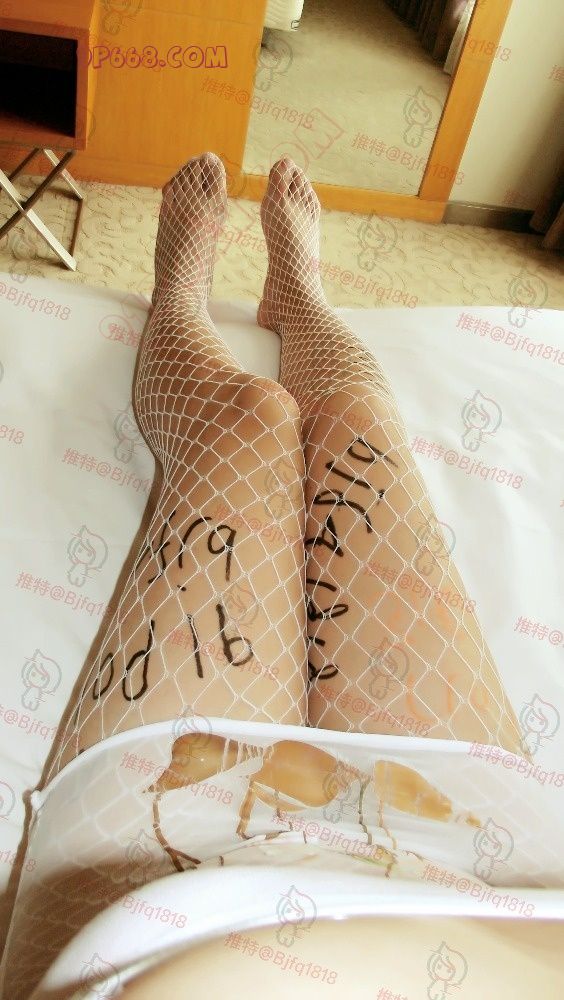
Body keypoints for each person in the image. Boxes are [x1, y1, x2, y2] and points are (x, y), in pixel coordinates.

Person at [1, 154, 555, 1000]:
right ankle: (300, 297)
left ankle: (177, 299)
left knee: (250, 418)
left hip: (149, 899)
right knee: (358, 421)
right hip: (481, 876)